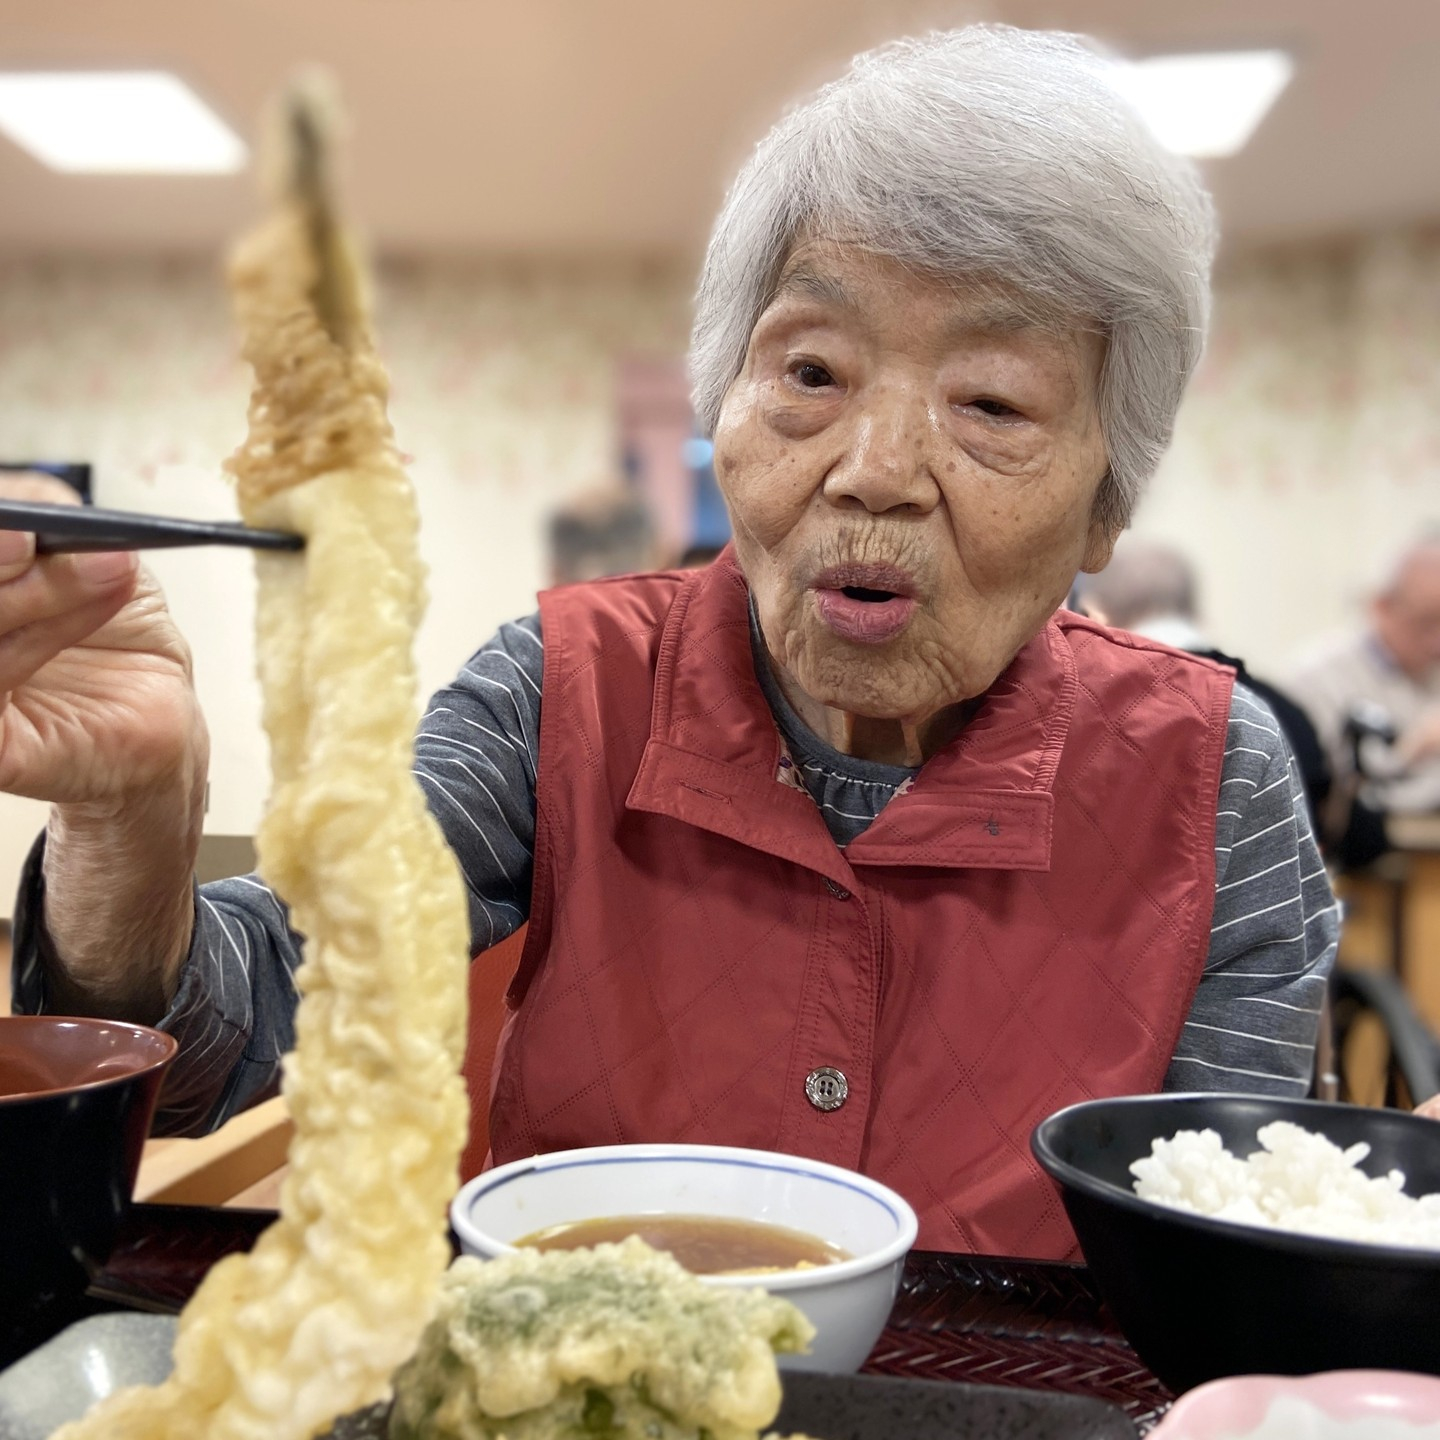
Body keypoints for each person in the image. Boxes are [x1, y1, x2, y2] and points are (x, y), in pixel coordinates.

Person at [3, 27, 1344, 1258]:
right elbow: (216, 1045)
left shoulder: (1216, 778)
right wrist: (134, 813)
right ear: (724, 408)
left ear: (1110, 500)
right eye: (810, 374)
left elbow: (1223, 1264)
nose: (874, 470)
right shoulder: (562, 692)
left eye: (992, 402)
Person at [1074, 540, 1389, 869]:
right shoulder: (1282, 709)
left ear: (1101, 611)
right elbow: (1344, 836)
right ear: (1190, 606)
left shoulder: (1102, 714)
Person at [1287, 537, 1440, 817]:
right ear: (1382, 606)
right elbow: (1333, 798)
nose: (1436, 642)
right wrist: (1410, 752)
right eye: (1425, 622)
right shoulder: (1320, 678)